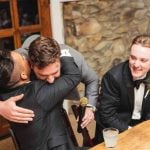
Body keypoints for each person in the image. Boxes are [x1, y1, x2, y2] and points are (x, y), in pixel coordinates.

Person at [0, 34, 99, 128]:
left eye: (55, 72)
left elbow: (92, 79)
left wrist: (90, 106)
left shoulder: (74, 59)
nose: (51, 80)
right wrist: (1, 107)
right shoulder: (16, 64)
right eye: (43, 75)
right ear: (31, 65)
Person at [0, 39, 82, 150]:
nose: (25, 57)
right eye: (23, 59)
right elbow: (73, 76)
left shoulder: (4, 95)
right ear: (23, 75)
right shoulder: (38, 92)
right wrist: (62, 52)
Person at [94, 34, 150, 143]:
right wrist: (132, 132)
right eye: (133, 58)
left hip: (141, 125)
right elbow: (107, 115)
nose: (136, 64)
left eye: (143, 60)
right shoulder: (113, 78)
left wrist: (145, 129)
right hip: (116, 129)